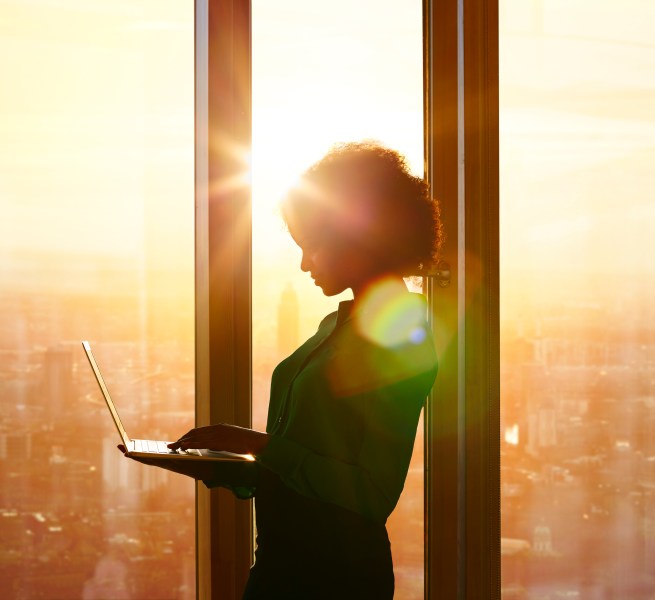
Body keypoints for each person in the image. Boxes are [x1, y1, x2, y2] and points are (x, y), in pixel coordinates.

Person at [121, 141, 442, 599]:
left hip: (336, 576)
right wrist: (220, 461)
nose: (304, 263)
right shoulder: (338, 325)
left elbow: (371, 493)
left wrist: (257, 446)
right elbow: (305, 460)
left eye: (311, 246)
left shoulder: (399, 339)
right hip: (283, 561)